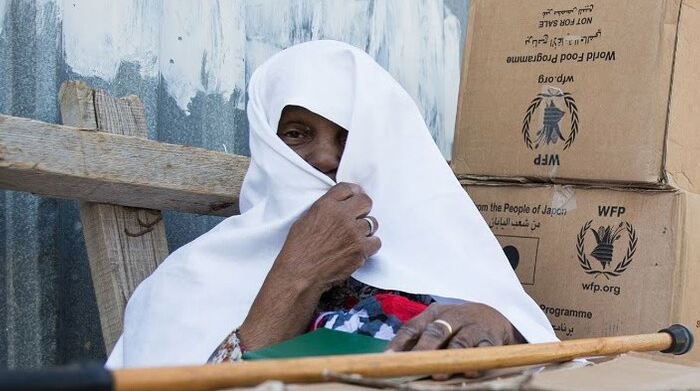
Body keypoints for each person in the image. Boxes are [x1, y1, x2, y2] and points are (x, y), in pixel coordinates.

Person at [107, 40, 556, 368]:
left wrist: (501, 327)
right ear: (266, 142)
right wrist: (298, 274)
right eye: (297, 134)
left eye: (350, 136)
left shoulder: (449, 251)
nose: (325, 158)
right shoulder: (194, 279)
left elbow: (557, 364)